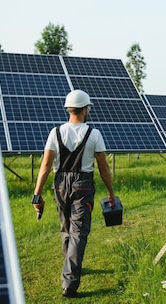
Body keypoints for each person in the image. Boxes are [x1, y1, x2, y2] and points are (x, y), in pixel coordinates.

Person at [32, 89, 116, 298]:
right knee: (78, 232)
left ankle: (71, 267)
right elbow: (104, 168)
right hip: (83, 185)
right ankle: (70, 283)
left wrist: (37, 195)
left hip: (59, 184)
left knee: (66, 228)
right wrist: (111, 191)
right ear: (85, 109)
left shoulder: (55, 132)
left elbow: (45, 166)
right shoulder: (94, 133)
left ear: (68, 109)